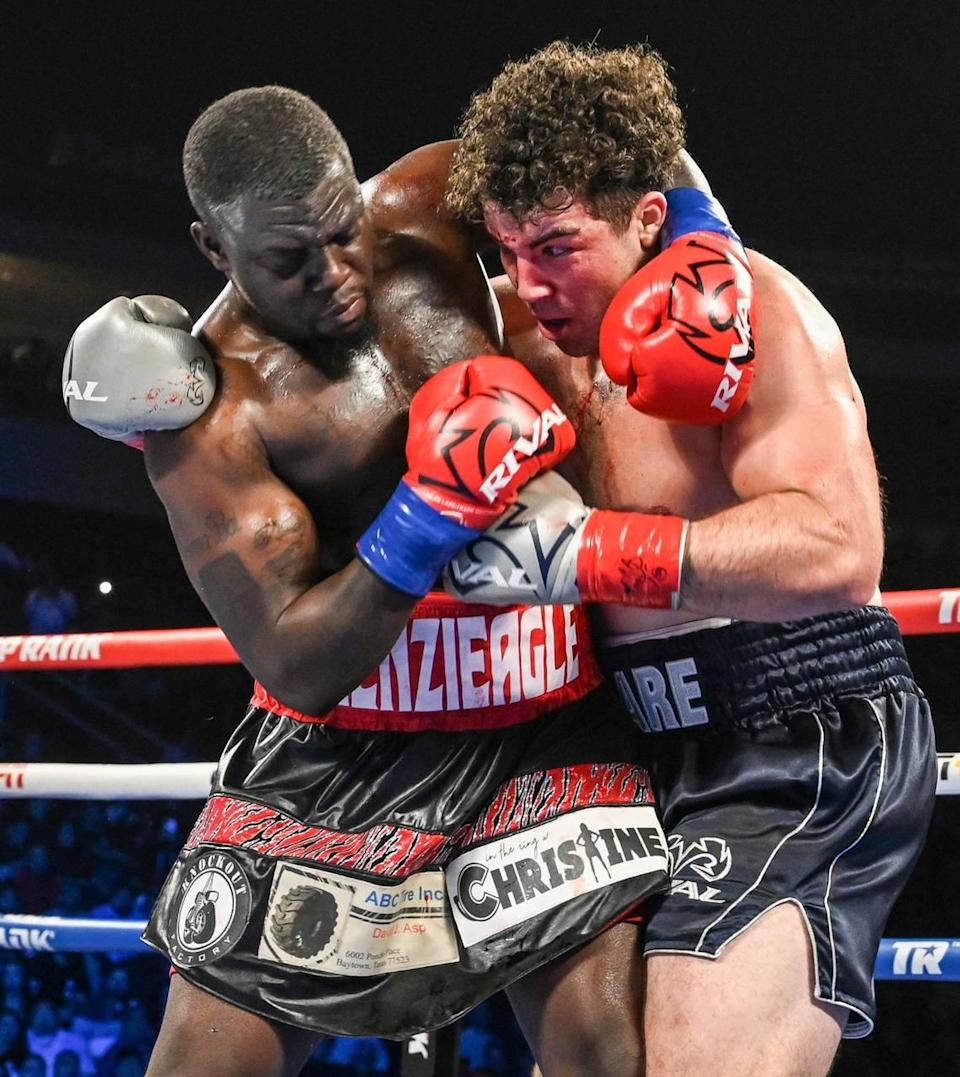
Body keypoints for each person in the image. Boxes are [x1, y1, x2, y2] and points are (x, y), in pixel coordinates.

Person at [65, 84, 745, 1075]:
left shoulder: (427, 198)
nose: (337, 275)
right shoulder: (215, 418)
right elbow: (295, 660)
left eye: (343, 233)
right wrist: (425, 516)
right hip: (336, 757)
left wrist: (702, 250)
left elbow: (612, 138)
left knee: (612, 1057)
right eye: (289, 261)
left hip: (538, 716)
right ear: (215, 249)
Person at [441, 40, 937, 1076]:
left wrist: (585, 552)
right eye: (509, 248)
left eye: (560, 246)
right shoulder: (533, 338)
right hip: (627, 743)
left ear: (648, 220)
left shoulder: (755, 314)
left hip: (795, 727)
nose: (532, 283)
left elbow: (838, 547)